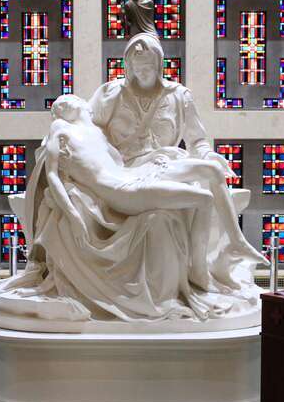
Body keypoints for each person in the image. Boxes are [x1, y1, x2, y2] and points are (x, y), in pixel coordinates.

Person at [47, 94, 265, 288]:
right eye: (64, 103)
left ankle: (237, 241)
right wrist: (73, 216)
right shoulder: (60, 129)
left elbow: (120, 162)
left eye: (73, 100)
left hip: (136, 173)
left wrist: (155, 155)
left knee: (213, 170)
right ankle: (198, 271)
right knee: (204, 199)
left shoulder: (95, 132)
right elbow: (52, 175)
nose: (73, 101)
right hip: (123, 190)